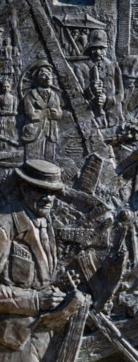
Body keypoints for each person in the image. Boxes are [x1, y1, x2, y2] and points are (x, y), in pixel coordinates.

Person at [0, 160, 69, 361]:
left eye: (53, 193)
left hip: (42, 334)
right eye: (41, 191)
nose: (48, 198)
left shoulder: (44, 222)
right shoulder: (5, 226)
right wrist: (35, 300)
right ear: (24, 189)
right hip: (11, 340)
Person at [74, 29, 124, 128]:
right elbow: (77, 96)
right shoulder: (81, 68)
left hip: (114, 117)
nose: (97, 52)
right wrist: (91, 91)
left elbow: (121, 94)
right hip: (92, 117)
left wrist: (108, 100)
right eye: (94, 48)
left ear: (106, 49)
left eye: (101, 48)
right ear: (89, 49)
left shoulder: (113, 66)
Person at [22, 60, 62, 160]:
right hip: (35, 132)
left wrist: (57, 114)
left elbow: (59, 113)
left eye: (49, 74)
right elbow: (31, 114)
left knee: (50, 161)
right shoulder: (30, 95)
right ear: (37, 79)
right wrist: (47, 113)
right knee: (33, 160)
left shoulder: (55, 95)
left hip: (51, 132)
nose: (48, 77)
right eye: (44, 75)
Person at [0, 79, 17, 150]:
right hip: (2, 119)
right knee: (2, 132)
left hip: (11, 119)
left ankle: (11, 148)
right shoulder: (0, 97)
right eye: (4, 86)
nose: (6, 88)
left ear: (10, 87)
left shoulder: (14, 98)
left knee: (11, 133)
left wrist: (9, 113)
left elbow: (15, 111)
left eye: (7, 86)